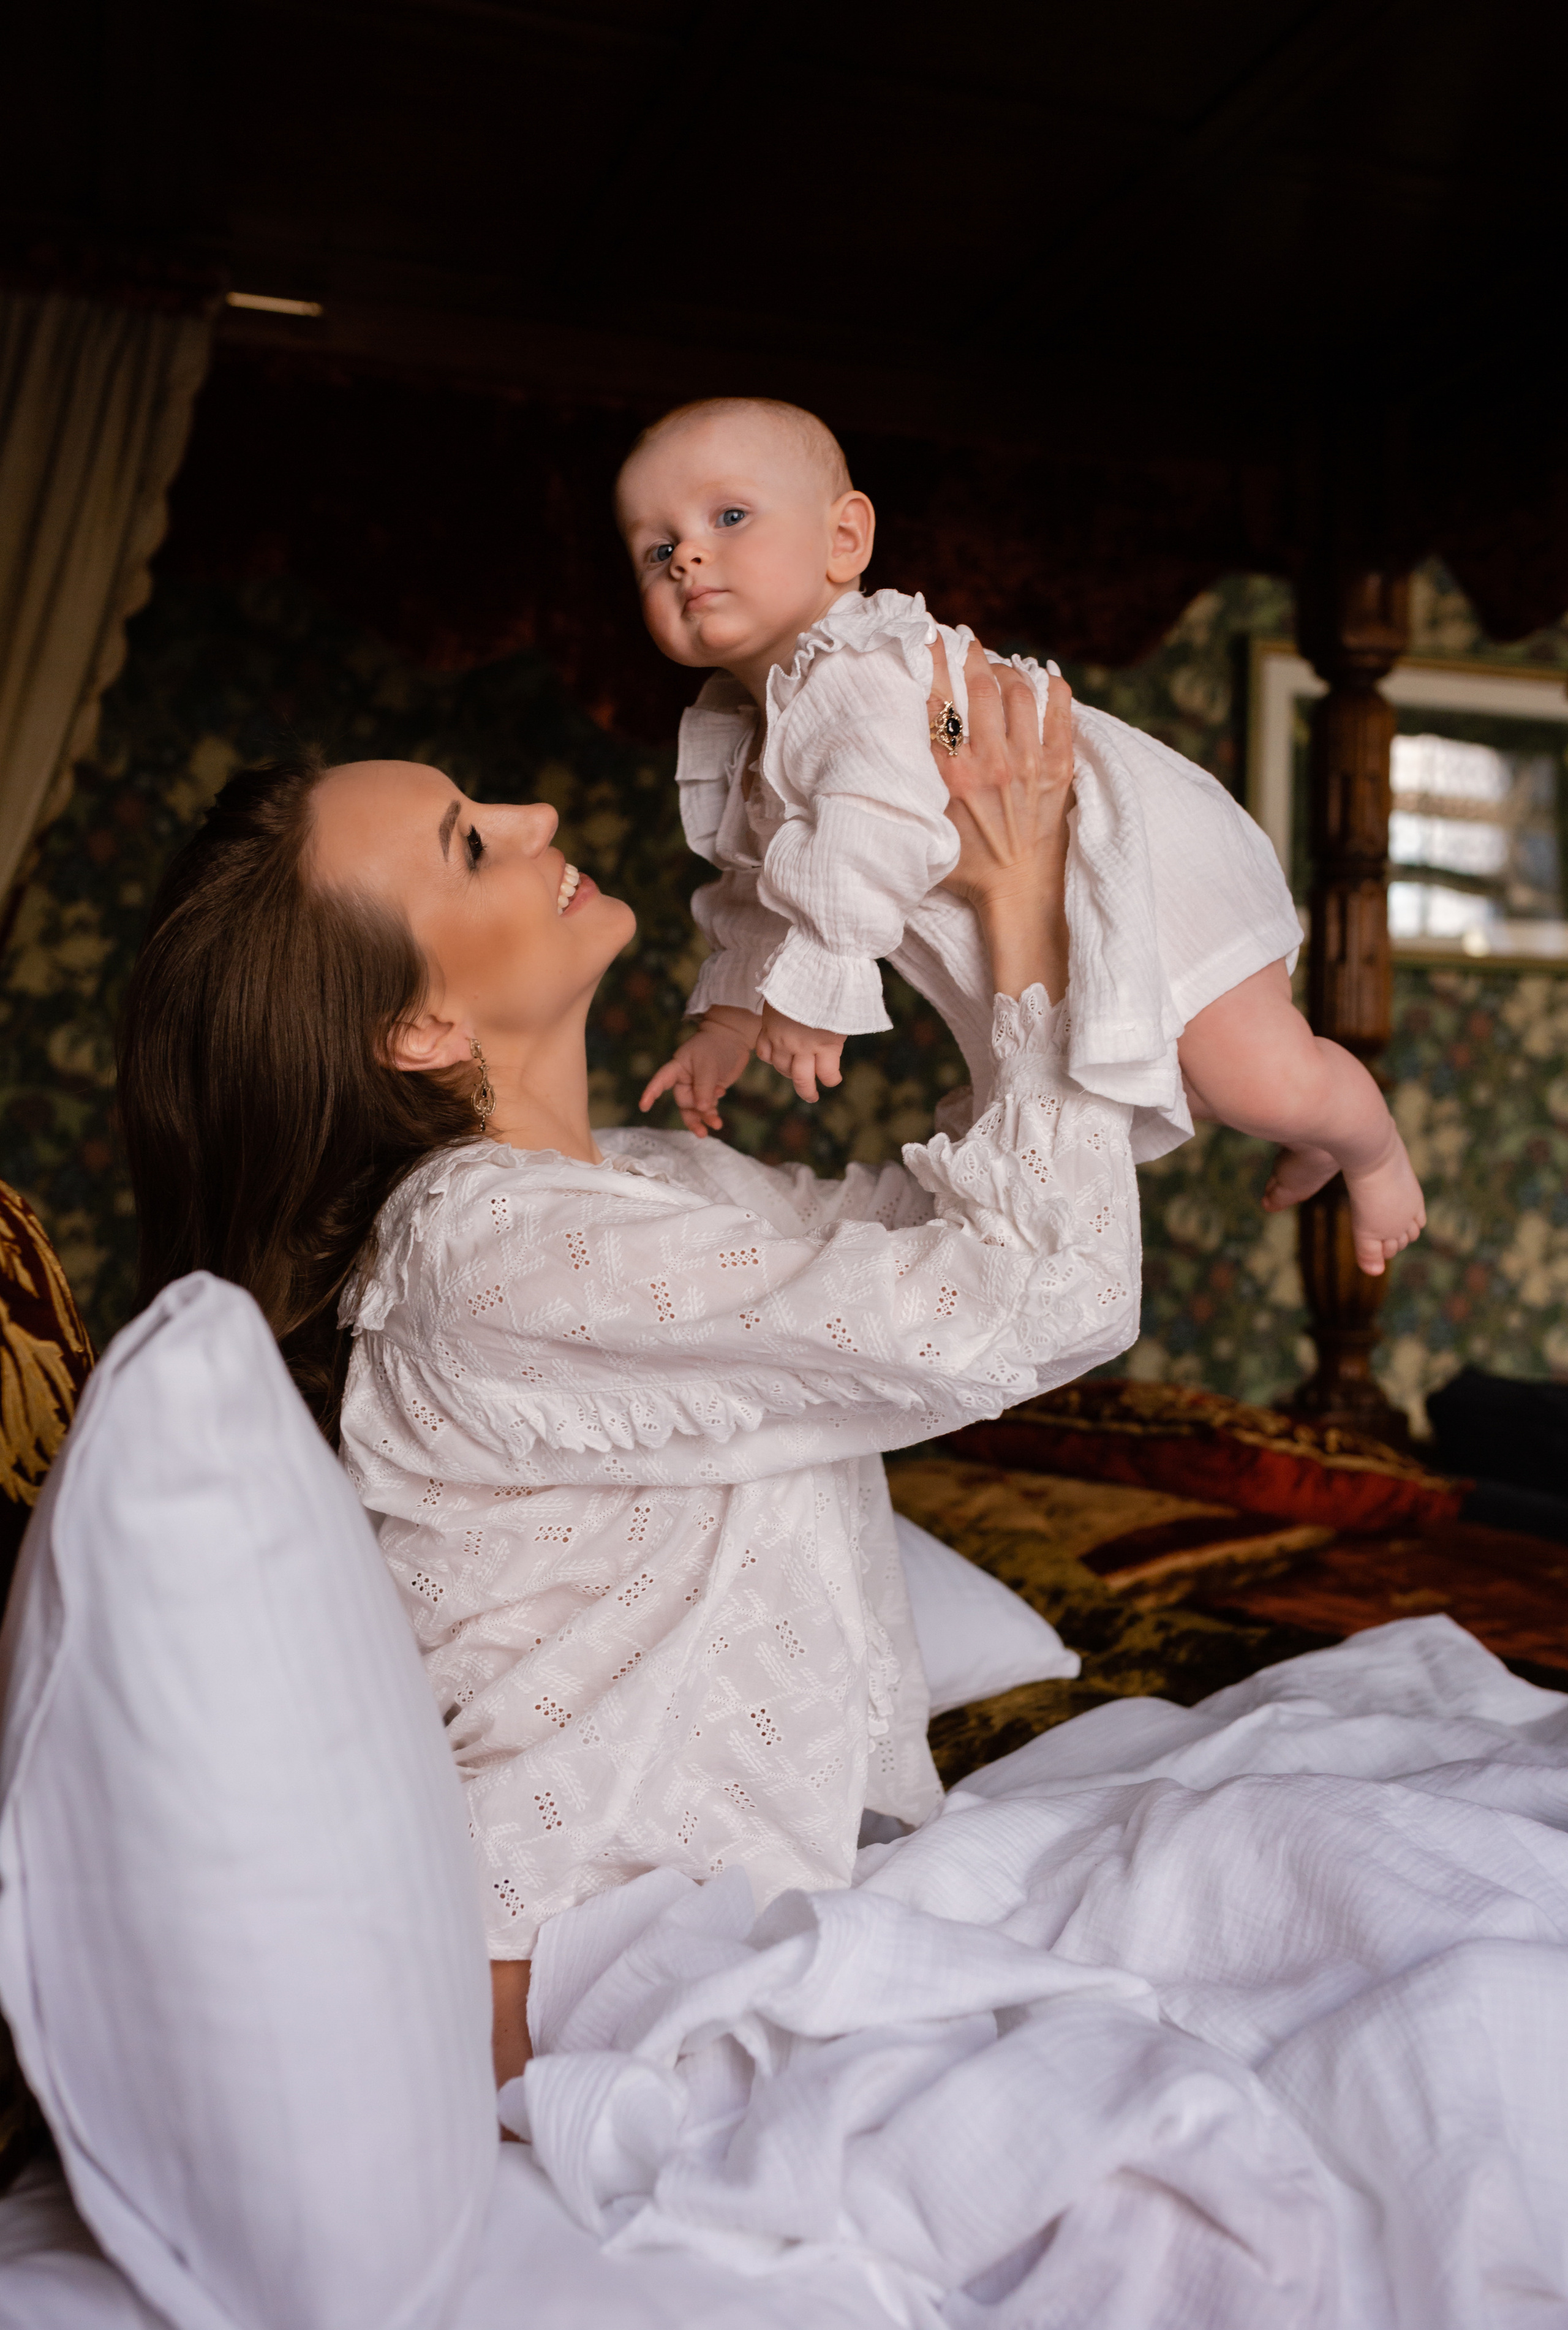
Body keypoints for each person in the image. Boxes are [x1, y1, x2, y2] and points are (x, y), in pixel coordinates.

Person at [117, 643, 1138, 2094]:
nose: (536, 820)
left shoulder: (657, 1190)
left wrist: (957, 898)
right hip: (599, 1976)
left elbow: (1004, 1233)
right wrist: (1030, 908)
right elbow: (1044, 1295)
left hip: (766, 1913)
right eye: (471, 842)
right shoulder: (478, 1255)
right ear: (422, 1028)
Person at [618, 397, 1427, 1279]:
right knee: (1194, 1084)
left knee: (1258, 1079)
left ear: (844, 540)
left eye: (729, 516)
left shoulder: (858, 667)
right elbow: (765, 881)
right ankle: (1308, 1128)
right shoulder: (758, 724)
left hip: (1141, 865)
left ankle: (1370, 1141)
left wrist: (818, 981)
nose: (688, 555)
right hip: (1056, 895)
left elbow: (885, 811)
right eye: (658, 549)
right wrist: (731, 1021)